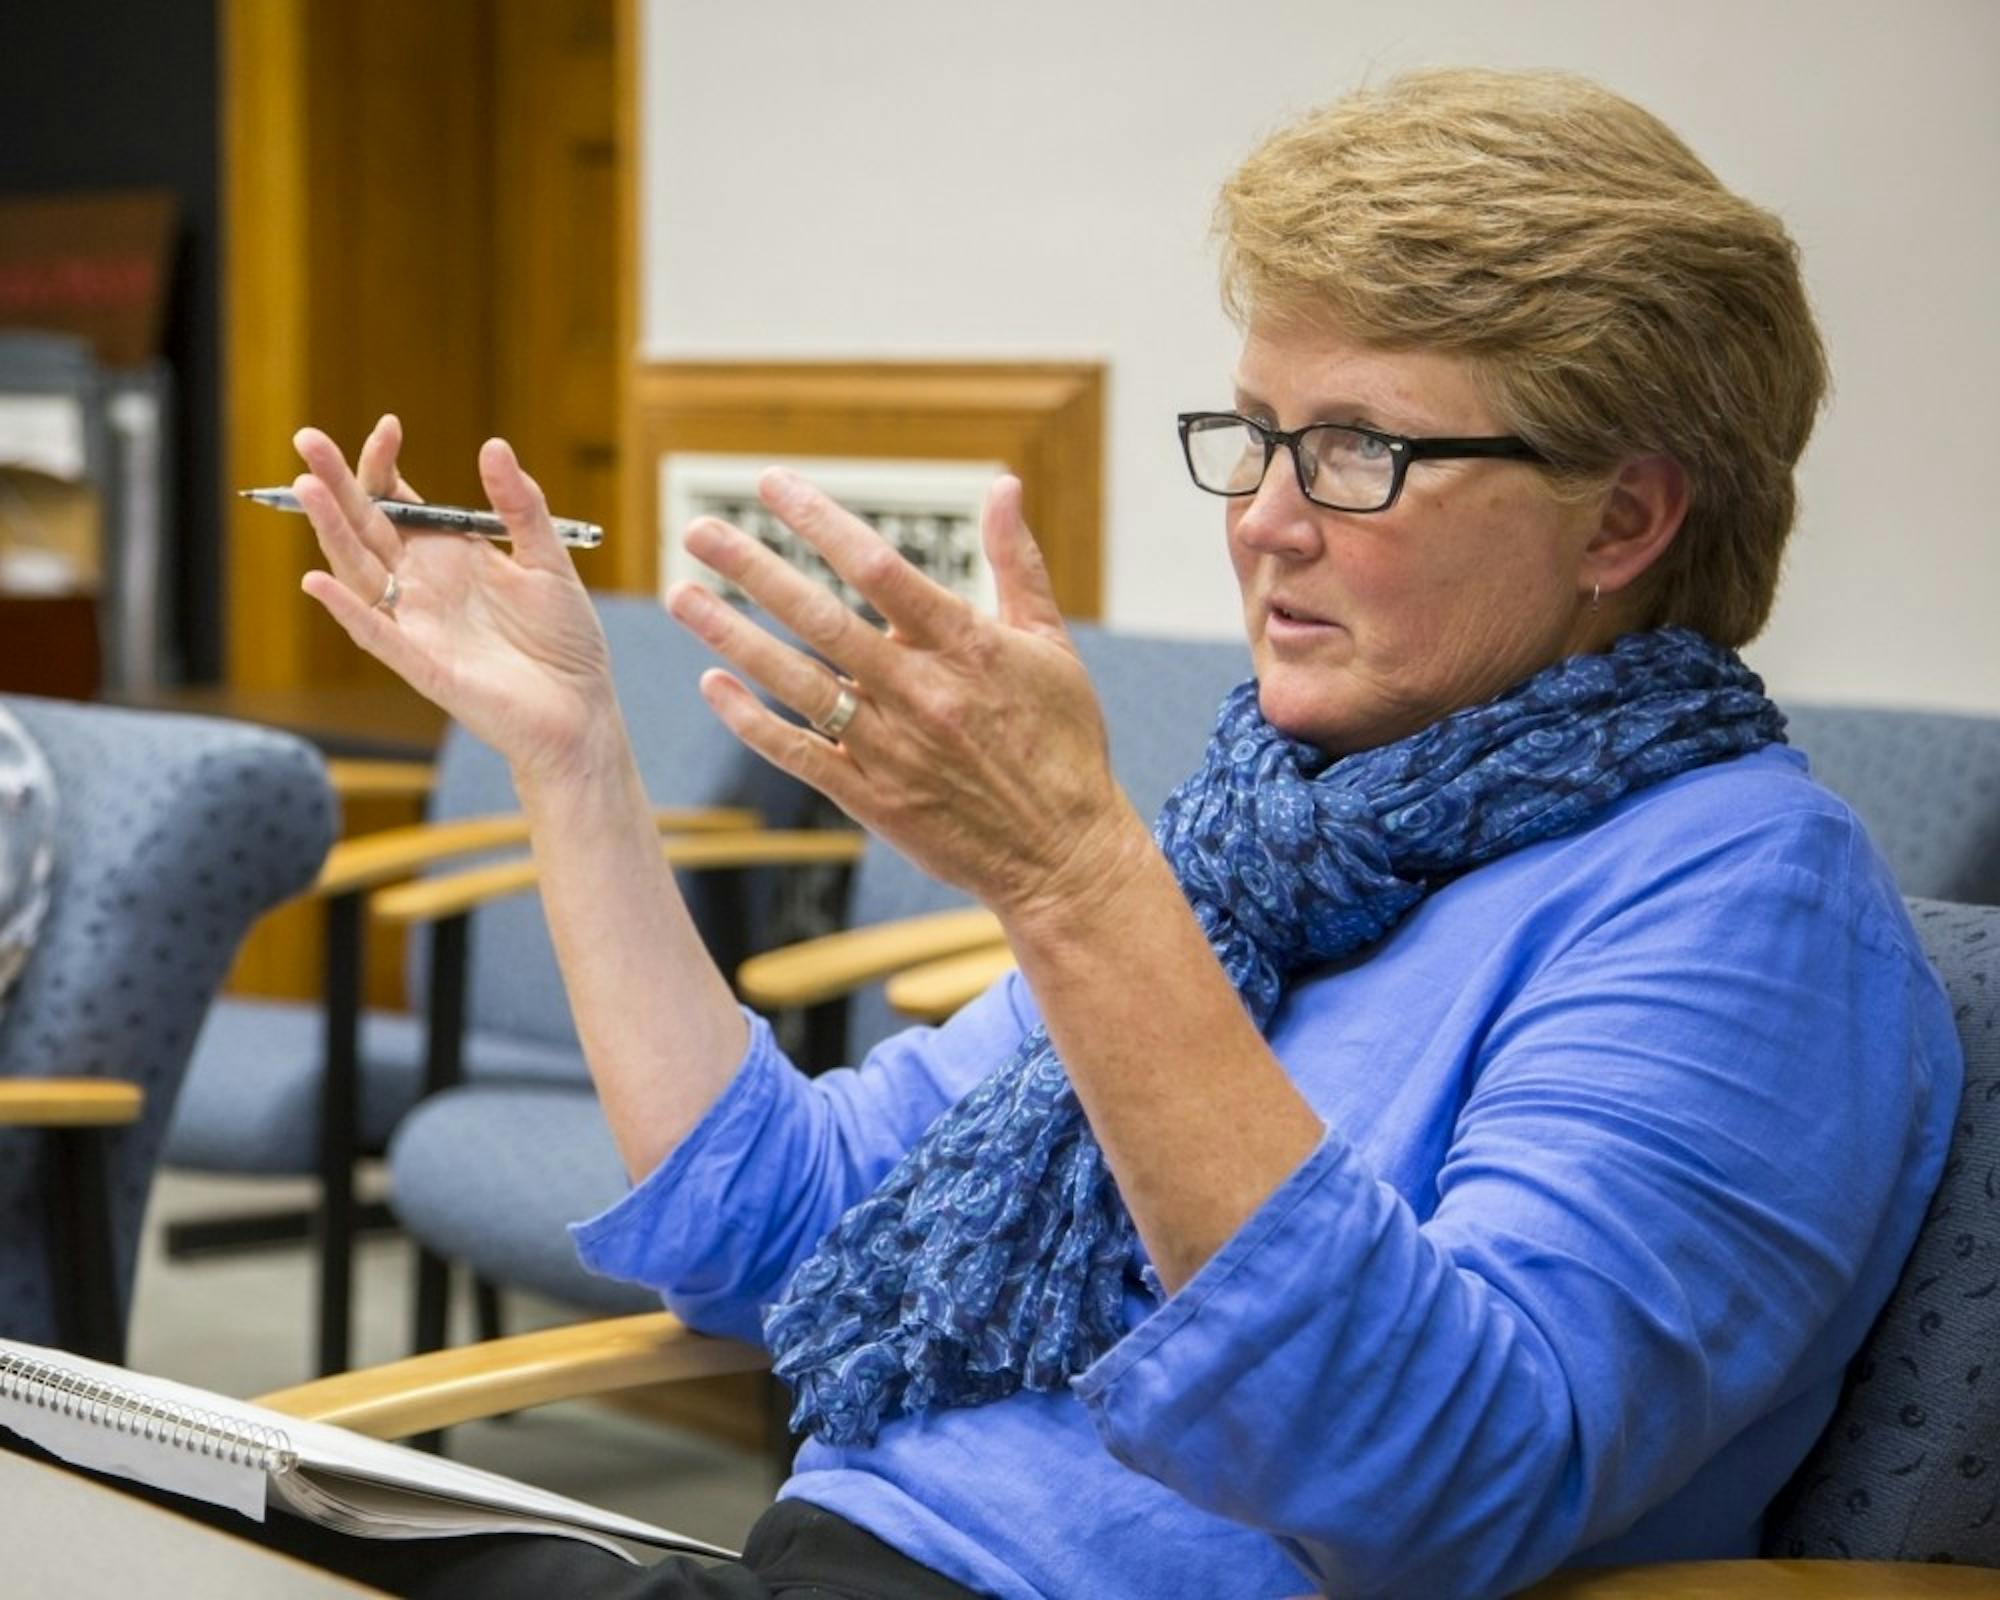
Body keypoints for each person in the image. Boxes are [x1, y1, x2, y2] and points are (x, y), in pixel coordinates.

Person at [247, 66, 1967, 1598]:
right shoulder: (1275, 853)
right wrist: (573, 764)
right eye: (1257, 439)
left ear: (1629, 518)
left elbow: (1447, 1472)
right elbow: (770, 1227)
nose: (1266, 525)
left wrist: (1079, 883)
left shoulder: (1748, 905)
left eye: (1358, 451)